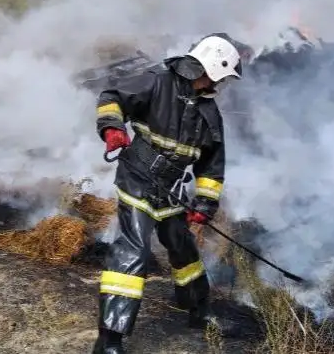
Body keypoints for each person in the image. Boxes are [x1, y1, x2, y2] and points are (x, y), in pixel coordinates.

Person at [92, 34, 242, 354]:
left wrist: (204, 203)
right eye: (223, 75)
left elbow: (212, 165)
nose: (223, 83)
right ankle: (110, 339)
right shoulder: (157, 83)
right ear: (212, 67)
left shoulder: (209, 112)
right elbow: (111, 96)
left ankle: (198, 310)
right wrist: (113, 128)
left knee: (183, 249)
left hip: (171, 192)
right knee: (133, 253)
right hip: (137, 182)